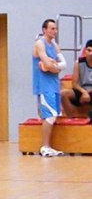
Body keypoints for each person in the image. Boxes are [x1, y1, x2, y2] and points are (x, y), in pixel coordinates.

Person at [32, 19, 66, 156]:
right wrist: (52, 65)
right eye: (52, 28)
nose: (55, 31)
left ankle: (49, 146)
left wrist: (53, 65)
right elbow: (47, 64)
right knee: (49, 116)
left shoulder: (55, 45)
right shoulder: (40, 44)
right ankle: (44, 146)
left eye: (56, 29)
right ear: (44, 30)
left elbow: (63, 64)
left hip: (54, 84)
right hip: (44, 86)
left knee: (54, 115)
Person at [62, 39, 92, 121]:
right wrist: (84, 92)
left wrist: (88, 93)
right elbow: (74, 84)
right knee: (63, 94)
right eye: (89, 50)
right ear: (85, 51)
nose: (91, 53)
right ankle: (71, 119)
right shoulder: (78, 62)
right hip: (82, 90)